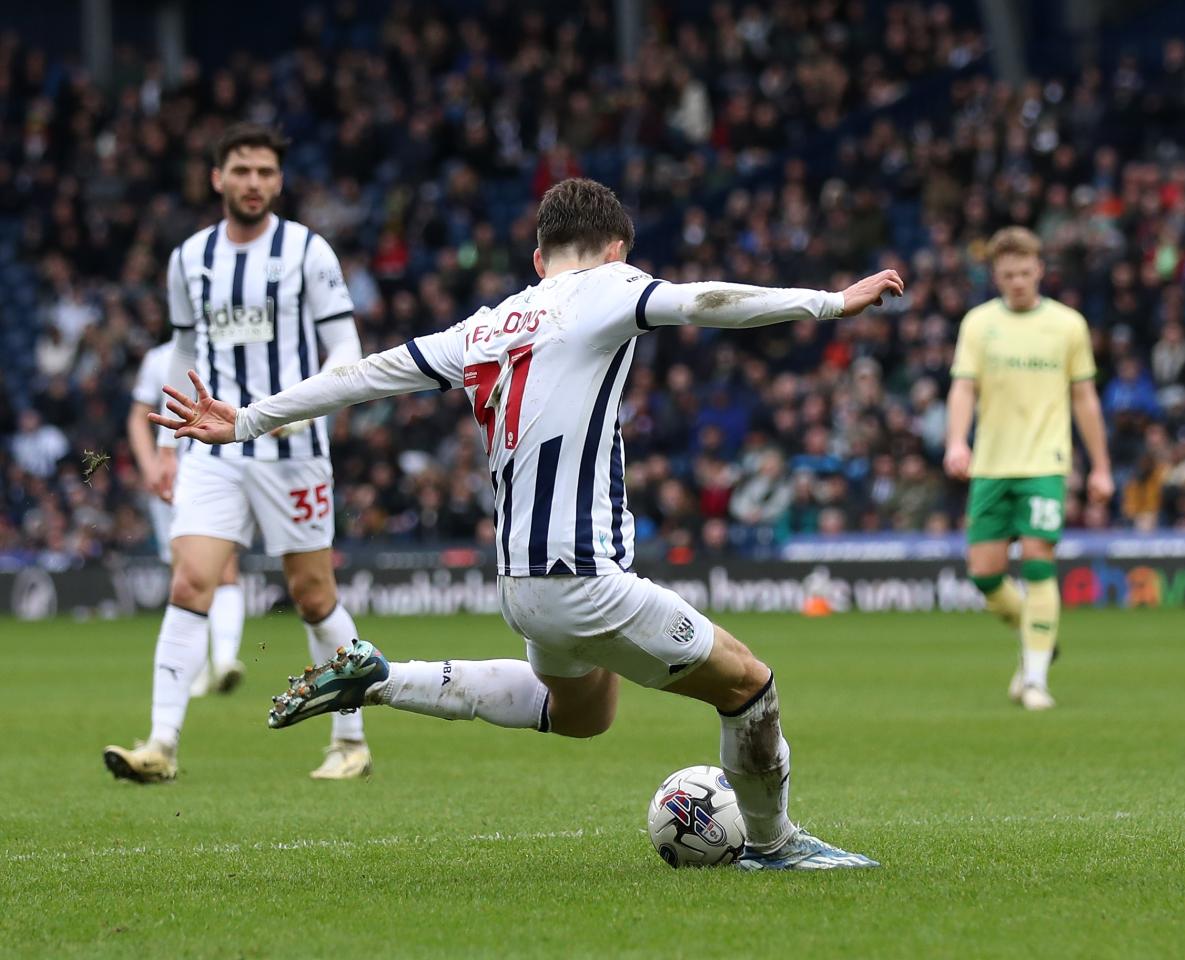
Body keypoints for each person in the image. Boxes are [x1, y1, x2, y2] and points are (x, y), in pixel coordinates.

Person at [152, 178, 904, 870]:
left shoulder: (489, 325)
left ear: (538, 257)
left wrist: (251, 417)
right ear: (617, 250)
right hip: (583, 577)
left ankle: (383, 678)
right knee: (748, 685)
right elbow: (703, 300)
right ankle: (774, 844)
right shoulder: (611, 286)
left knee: (582, 713)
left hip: (520, 582)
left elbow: (368, 373)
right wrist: (829, 303)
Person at [104, 123, 373, 783]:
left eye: (265, 173)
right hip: (212, 451)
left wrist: (298, 406)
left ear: (278, 182)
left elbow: (346, 349)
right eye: (241, 170)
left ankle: (351, 740)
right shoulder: (189, 259)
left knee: (313, 596)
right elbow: (184, 354)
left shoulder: (308, 252)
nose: (254, 182)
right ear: (216, 177)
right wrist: (169, 443)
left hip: (294, 449)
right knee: (190, 582)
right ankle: (160, 746)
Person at [944, 227, 1113, 711]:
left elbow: (1085, 399)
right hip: (992, 466)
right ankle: (1039, 633)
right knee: (985, 576)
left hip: (1045, 462)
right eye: (1007, 274)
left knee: (1039, 559)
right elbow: (963, 388)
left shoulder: (1067, 325)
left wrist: (1100, 467)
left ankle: (1035, 678)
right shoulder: (978, 324)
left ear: (1039, 270)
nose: (1017, 281)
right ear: (995, 275)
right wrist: (957, 441)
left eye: (1024, 272)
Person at [126, 337, 246, 696]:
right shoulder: (160, 358)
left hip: (217, 468)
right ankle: (200, 665)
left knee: (222, 566)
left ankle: (223, 660)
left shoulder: (229, 347)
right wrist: (151, 464)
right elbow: (138, 418)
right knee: (185, 572)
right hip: (173, 472)